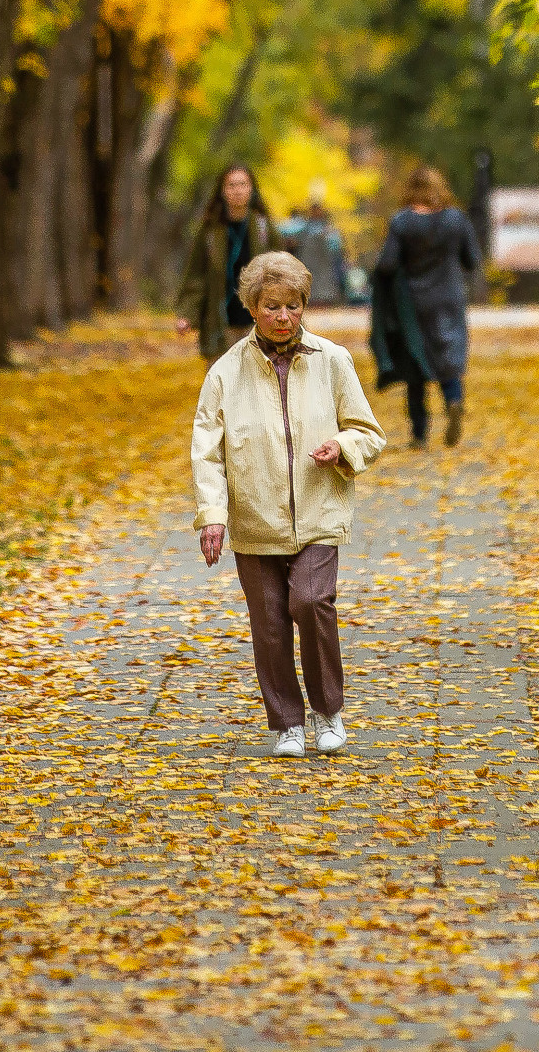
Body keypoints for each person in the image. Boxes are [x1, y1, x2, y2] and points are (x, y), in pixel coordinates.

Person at [190, 250, 386, 757]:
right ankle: (287, 725)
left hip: (319, 511)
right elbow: (207, 453)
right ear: (252, 308)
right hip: (255, 520)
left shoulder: (333, 361)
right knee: (270, 622)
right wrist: (213, 516)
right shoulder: (225, 373)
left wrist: (341, 447)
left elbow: (368, 432)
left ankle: (328, 712)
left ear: (305, 307)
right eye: (272, 307)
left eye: (294, 307)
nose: (283, 318)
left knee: (310, 602)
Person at [371, 165, 480, 446]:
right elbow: (472, 260)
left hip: (412, 303)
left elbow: (387, 263)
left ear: (410, 190)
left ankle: (419, 434)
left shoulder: (402, 222)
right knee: (448, 357)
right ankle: (454, 400)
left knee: (415, 364)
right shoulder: (457, 219)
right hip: (449, 299)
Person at [172, 162, 274, 362]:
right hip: (218, 322)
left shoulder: (264, 229)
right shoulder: (210, 231)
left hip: (257, 322)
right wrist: (187, 315)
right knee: (219, 384)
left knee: (257, 385)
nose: (238, 191)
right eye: (231, 185)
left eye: (243, 185)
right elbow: (196, 275)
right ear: (222, 191)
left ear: (252, 189)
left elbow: (282, 276)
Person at [281, 188, 350, 305]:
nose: (316, 211)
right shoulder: (304, 229)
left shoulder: (328, 232)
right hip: (310, 280)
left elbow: (337, 253)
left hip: (325, 282)